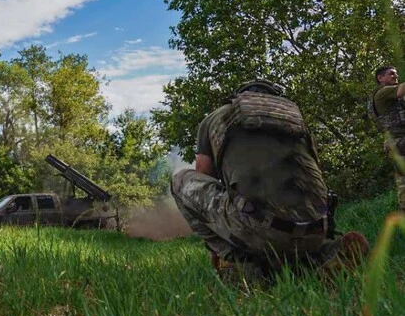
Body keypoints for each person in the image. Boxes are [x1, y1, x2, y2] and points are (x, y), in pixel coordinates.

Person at [172, 79, 369, 280]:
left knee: (181, 180)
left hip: (257, 228)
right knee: (292, 231)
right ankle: (324, 255)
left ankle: (241, 263)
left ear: (240, 96)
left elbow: (203, 176)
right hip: (316, 229)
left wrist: (218, 245)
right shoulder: (297, 122)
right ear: (276, 97)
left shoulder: (216, 117)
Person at [368, 65, 405, 210]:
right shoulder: (383, 93)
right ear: (380, 78)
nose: (395, 76)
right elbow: (402, 89)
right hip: (399, 142)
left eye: (396, 74)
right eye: (391, 74)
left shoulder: (390, 94)